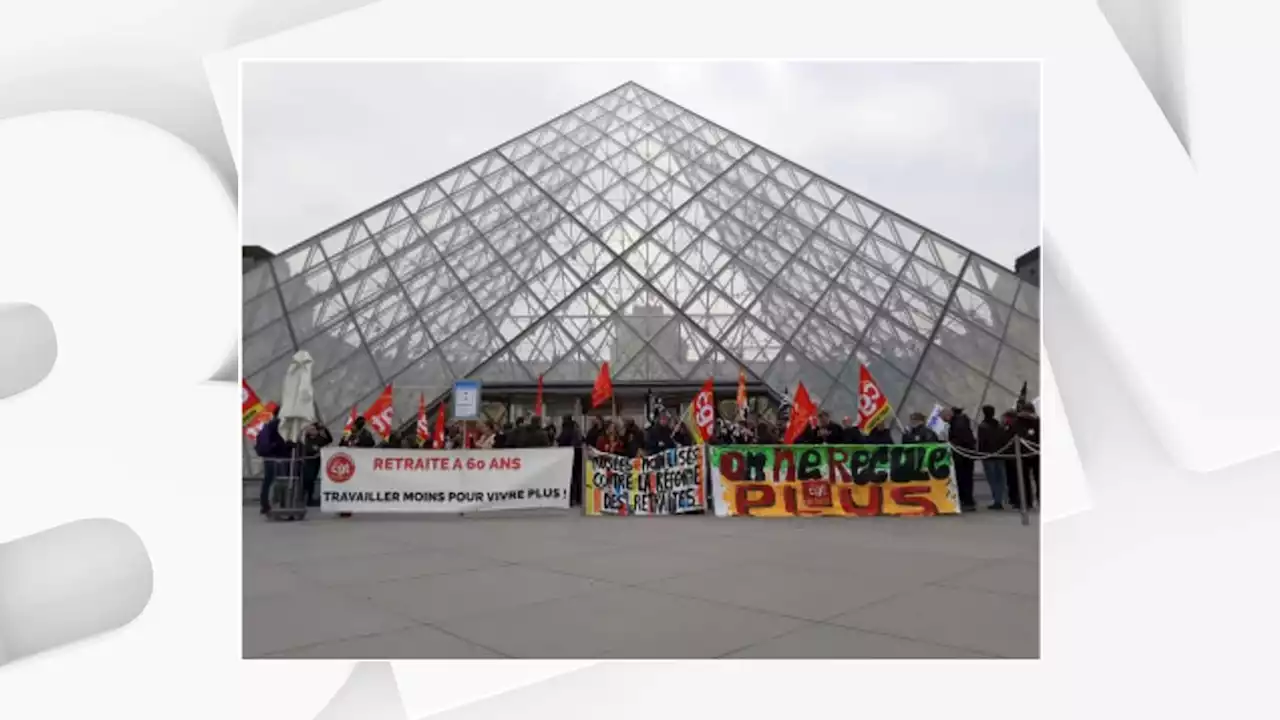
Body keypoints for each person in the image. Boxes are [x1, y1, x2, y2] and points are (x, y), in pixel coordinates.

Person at [254, 407, 290, 515]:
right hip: (276, 457)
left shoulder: (268, 425)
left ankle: (265, 504)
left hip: (270, 457)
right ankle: (279, 503)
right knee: (279, 481)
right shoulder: (278, 425)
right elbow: (280, 442)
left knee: (268, 481)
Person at [943, 407, 977, 512]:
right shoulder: (961, 422)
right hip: (966, 454)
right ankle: (967, 500)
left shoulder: (957, 424)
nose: (943, 420)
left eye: (943, 417)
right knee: (966, 478)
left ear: (948, 415)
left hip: (961, 456)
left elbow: (959, 439)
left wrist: (951, 444)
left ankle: (966, 500)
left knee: (963, 478)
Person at [977, 405, 1009, 510]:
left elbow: (982, 443)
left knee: (993, 479)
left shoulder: (982, 427)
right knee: (1001, 479)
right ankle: (1000, 499)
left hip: (988, 456)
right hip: (1000, 455)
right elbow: (1004, 440)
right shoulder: (999, 426)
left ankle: (997, 500)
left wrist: (980, 454)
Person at [301, 420, 334, 508]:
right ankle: (302, 498)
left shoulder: (319, 439)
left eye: (314, 429)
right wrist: (315, 451)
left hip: (316, 462)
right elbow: (308, 450)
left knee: (312, 480)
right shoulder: (305, 439)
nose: (313, 431)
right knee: (307, 480)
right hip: (308, 462)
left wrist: (324, 429)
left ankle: (309, 499)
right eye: (310, 429)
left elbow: (329, 439)